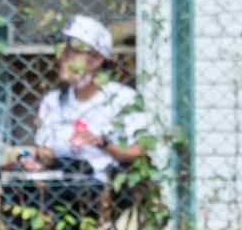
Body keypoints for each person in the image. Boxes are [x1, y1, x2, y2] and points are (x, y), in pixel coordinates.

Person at [18, 15, 146, 181]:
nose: (63, 57)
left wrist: (103, 143)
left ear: (97, 59)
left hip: (103, 189)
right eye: (63, 50)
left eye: (73, 51)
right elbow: (43, 150)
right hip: (60, 185)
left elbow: (140, 152)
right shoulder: (53, 101)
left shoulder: (123, 99)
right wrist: (42, 156)